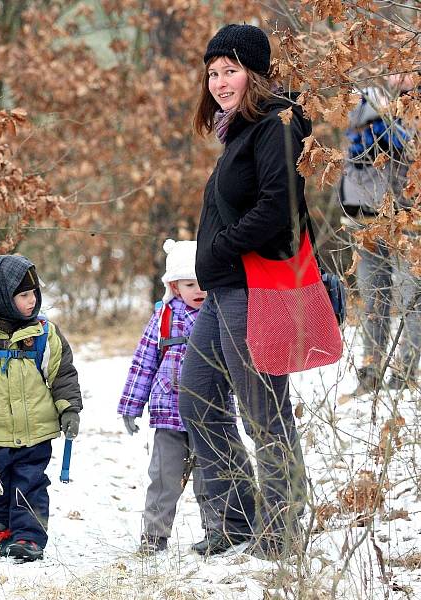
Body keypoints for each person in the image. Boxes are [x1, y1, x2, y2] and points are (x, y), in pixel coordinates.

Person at [177, 24, 310, 559]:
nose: (219, 81)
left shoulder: (277, 123)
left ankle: (280, 533)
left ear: (254, 71)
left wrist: (218, 250)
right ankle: (232, 521)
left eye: (230, 69)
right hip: (226, 287)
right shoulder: (240, 131)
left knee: (264, 410)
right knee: (197, 394)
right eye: (212, 72)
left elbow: (280, 208)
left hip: (254, 287)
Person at [0, 254, 83, 562]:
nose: (32, 301)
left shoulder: (43, 334)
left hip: (36, 433)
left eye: (34, 293)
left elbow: (62, 373)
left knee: (30, 484)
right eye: (23, 295)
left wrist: (69, 408)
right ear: (1, 298)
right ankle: (6, 531)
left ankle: (29, 538)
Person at [118, 239, 220, 554]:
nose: (198, 290)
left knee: (213, 478)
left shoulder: (220, 313)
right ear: (175, 287)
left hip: (210, 414)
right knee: (164, 480)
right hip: (170, 414)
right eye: (190, 284)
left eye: (203, 282)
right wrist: (131, 406)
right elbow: (144, 361)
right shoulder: (164, 317)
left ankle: (218, 533)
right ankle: (154, 536)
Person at [339, 81, 420, 394]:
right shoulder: (369, 99)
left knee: (411, 299)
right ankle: (373, 372)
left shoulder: (411, 109)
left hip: (405, 220)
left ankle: (405, 372)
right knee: (375, 299)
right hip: (366, 221)